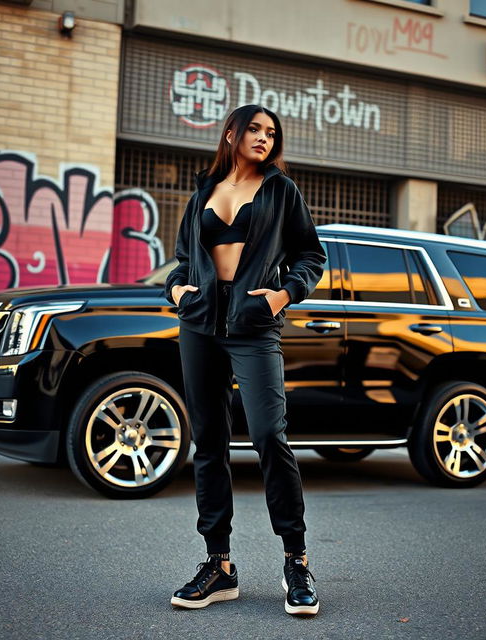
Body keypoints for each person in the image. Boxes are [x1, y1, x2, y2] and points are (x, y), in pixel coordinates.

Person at [164, 104, 327, 615]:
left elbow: (311, 256)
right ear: (231, 132)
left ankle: (296, 560)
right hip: (200, 326)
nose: (263, 137)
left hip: (254, 326)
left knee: (268, 436)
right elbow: (182, 260)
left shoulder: (281, 191)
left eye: (271, 132)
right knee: (208, 443)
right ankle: (219, 566)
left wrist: (280, 297)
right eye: (254, 128)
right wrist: (176, 292)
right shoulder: (203, 192)